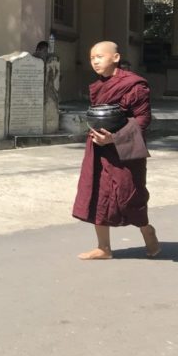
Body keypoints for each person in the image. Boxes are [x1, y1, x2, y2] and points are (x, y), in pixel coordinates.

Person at [72, 40, 160, 260]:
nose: (95, 61)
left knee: (129, 194)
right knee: (97, 193)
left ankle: (147, 231)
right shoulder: (99, 85)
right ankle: (103, 248)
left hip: (125, 149)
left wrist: (115, 138)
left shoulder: (134, 85)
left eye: (100, 56)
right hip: (99, 147)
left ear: (116, 57)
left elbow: (143, 118)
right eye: (92, 58)